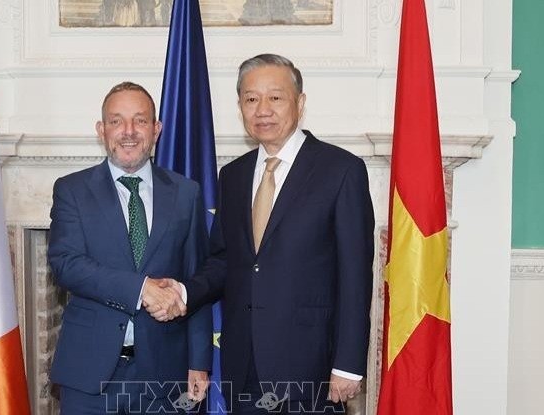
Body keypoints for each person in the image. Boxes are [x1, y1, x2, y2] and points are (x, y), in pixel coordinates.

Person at [149, 54, 375, 413]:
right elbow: (225, 261)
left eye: (276, 97)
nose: (263, 109)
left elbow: (356, 275)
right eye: (251, 99)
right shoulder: (233, 176)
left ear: (299, 103)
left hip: (311, 369)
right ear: (240, 106)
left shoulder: (341, 170)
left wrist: (347, 364)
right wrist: (184, 290)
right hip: (244, 363)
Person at [48, 81, 211, 413]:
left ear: (156, 129)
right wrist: (141, 290)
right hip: (89, 376)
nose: (128, 131)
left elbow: (197, 279)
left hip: (166, 376)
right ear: (101, 129)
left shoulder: (186, 193)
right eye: (116, 120)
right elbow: (66, 265)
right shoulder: (72, 190)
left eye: (139, 120)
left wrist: (199, 360)